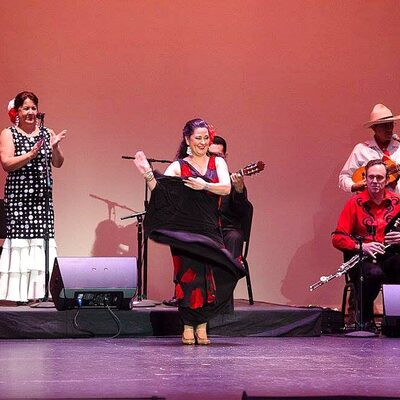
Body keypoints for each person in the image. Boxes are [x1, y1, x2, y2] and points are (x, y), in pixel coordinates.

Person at [133, 118, 245, 345]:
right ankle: (187, 325)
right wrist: (146, 173)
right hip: (183, 232)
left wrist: (204, 185)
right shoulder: (178, 166)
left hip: (209, 229)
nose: (203, 142)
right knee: (188, 279)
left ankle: (202, 324)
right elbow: (161, 193)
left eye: (206, 138)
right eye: (198, 138)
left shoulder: (217, 162)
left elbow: (225, 188)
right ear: (187, 139)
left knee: (212, 278)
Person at [0, 91, 66, 304]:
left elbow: (58, 163)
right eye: (26, 108)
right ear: (17, 111)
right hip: (19, 199)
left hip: (41, 201)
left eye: (33, 108)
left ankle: (40, 294)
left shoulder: (47, 132)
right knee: (21, 244)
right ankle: (19, 297)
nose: (30, 112)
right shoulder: (9, 133)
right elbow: (7, 163)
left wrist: (55, 147)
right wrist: (30, 154)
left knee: (41, 243)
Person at [332, 159, 400, 331]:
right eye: (371, 177)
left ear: (387, 180)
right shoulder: (354, 203)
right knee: (373, 273)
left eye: (379, 178)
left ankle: (394, 322)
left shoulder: (397, 202)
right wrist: (362, 246)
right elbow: (338, 238)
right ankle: (365, 319)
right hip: (363, 259)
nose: (375, 181)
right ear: (365, 179)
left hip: (391, 257)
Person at [339, 103, 400, 193]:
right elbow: (344, 177)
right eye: (384, 125)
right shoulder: (361, 149)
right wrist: (354, 186)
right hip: (369, 200)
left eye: (391, 124)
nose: (389, 129)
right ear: (374, 128)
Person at [209, 135, 251, 260]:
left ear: (225, 157)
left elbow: (243, 212)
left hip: (226, 230)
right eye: (210, 155)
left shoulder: (232, 182)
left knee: (234, 237)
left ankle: (229, 271)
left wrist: (239, 190)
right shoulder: (198, 179)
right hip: (204, 230)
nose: (214, 159)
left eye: (218, 156)